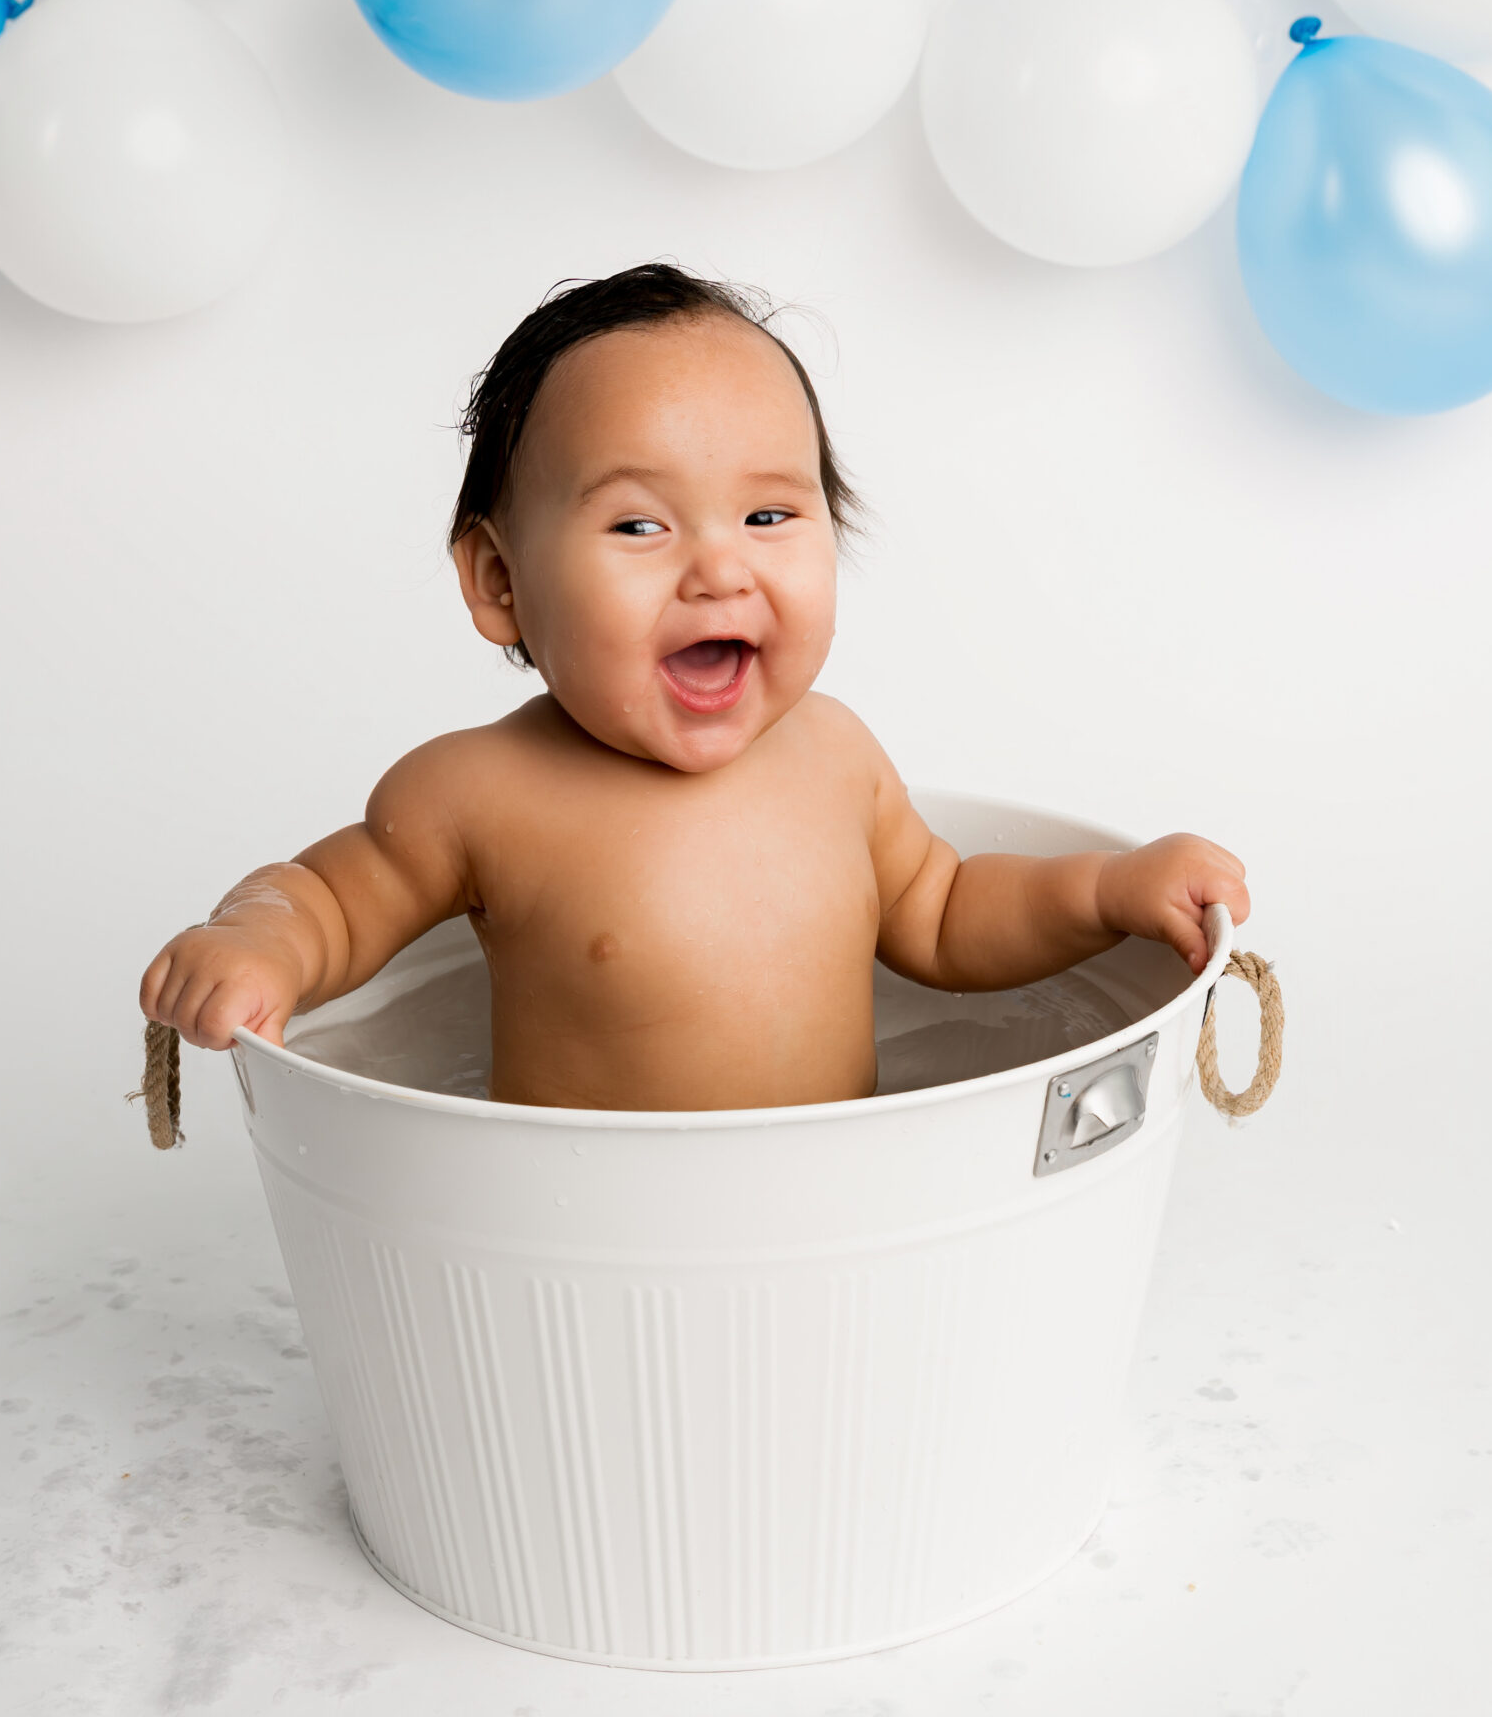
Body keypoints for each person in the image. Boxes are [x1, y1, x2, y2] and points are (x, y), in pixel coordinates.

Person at [141, 266, 1249, 1110]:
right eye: (638, 525)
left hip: (839, 1196)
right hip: (578, 1227)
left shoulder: (836, 758)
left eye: (768, 514)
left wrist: (1106, 891)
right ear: (498, 581)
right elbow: (329, 901)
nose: (720, 568)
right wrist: (257, 944)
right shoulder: (476, 794)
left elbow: (948, 913)